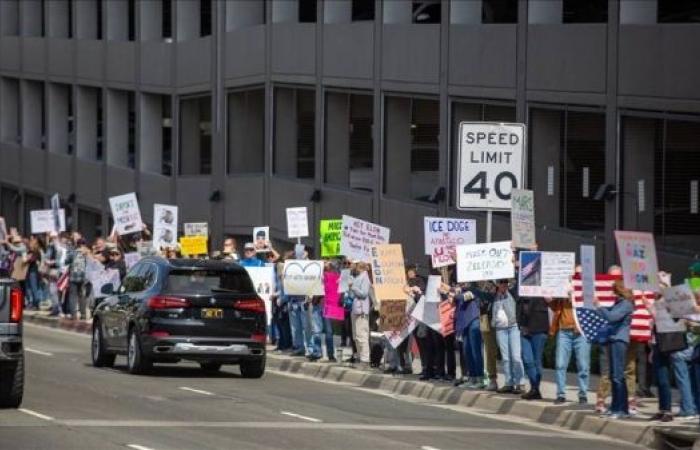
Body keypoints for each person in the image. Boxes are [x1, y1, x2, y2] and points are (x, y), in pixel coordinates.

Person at [596, 279, 635, 420]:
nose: (613, 293)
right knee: (614, 375)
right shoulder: (619, 303)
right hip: (613, 339)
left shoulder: (626, 304)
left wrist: (600, 306)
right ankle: (616, 407)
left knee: (618, 376)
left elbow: (612, 317)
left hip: (619, 340)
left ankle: (621, 409)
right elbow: (608, 315)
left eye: (614, 290)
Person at [546, 291, 591, 405]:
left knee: (583, 365)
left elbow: (591, 305)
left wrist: (576, 298)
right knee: (560, 364)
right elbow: (554, 306)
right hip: (564, 330)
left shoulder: (583, 285)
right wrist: (549, 300)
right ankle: (561, 394)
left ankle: (583, 394)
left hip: (581, 331)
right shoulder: (562, 286)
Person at [488, 279, 524, 394]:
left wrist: (516, 267)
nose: (503, 285)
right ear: (497, 284)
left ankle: (520, 383)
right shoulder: (494, 296)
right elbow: (480, 294)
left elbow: (519, 282)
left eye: (505, 283)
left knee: (516, 356)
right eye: (501, 283)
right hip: (500, 329)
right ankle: (509, 383)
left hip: (513, 327)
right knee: (506, 357)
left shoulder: (512, 293)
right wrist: (470, 284)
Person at [517, 288, 550, 400]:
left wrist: (549, 298)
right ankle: (535, 388)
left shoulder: (543, 281)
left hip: (539, 326)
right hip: (524, 326)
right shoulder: (521, 281)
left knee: (536, 360)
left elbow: (552, 298)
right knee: (527, 359)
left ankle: (535, 389)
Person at [348, 262, 371, 366]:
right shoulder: (358, 277)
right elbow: (353, 293)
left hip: (361, 309)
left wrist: (353, 287)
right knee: (356, 335)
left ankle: (365, 359)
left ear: (359, 267)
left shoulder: (365, 277)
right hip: (355, 308)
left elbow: (364, 293)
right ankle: (359, 356)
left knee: (362, 334)